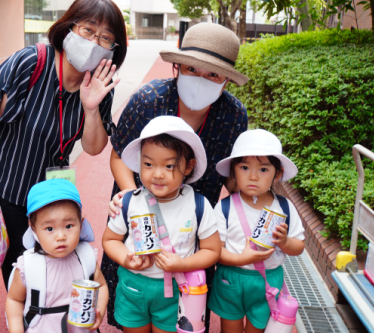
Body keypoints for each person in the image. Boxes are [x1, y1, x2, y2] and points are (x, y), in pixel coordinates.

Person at [0, 0, 127, 289]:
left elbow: (93, 147)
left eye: (106, 38)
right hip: (8, 186)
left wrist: (90, 107)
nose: (94, 42)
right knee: (20, 267)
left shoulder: (100, 85)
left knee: (54, 262)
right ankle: (22, 316)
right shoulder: (31, 63)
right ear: (69, 28)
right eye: (88, 30)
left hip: (51, 195)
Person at [102, 22, 249, 330]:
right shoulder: (148, 100)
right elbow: (118, 156)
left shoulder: (233, 115)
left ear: (226, 81)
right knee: (133, 293)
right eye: (192, 69)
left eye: (213, 74)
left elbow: (233, 174)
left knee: (184, 310)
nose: (201, 79)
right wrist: (132, 197)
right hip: (139, 207)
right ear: (178, 66)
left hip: (192, 221)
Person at [102, 116, 221, 333]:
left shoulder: (198, 205)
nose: (157, 174)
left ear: (189, 166)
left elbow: (213, 250)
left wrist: (183, 264)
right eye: (148, 164)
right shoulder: (129, 201)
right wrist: (125, 259)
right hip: (133, 287)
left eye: (169, 165)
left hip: (176, 291)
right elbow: (110, 239)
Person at [208, 129, 305, 333]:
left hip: (268, 281)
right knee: (230, 329)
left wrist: (286, 242)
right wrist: (240, 259)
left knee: (258, 328)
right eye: (244, 167)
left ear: (277, 174)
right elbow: (215, 251)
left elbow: (299, 246)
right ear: (234, 171)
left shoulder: (284, 208)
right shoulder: (225, 208)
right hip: (231, 277)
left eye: (263, 169)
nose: (253, 176)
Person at [5, 179, 108, 333]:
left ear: (81, 222)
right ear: (33, 228)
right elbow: (14, 300)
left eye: (68, 226)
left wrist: (99, 311)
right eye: (49, 228)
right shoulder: (28, 266)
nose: (60, 236)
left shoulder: (86, 257)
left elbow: (101, 285)